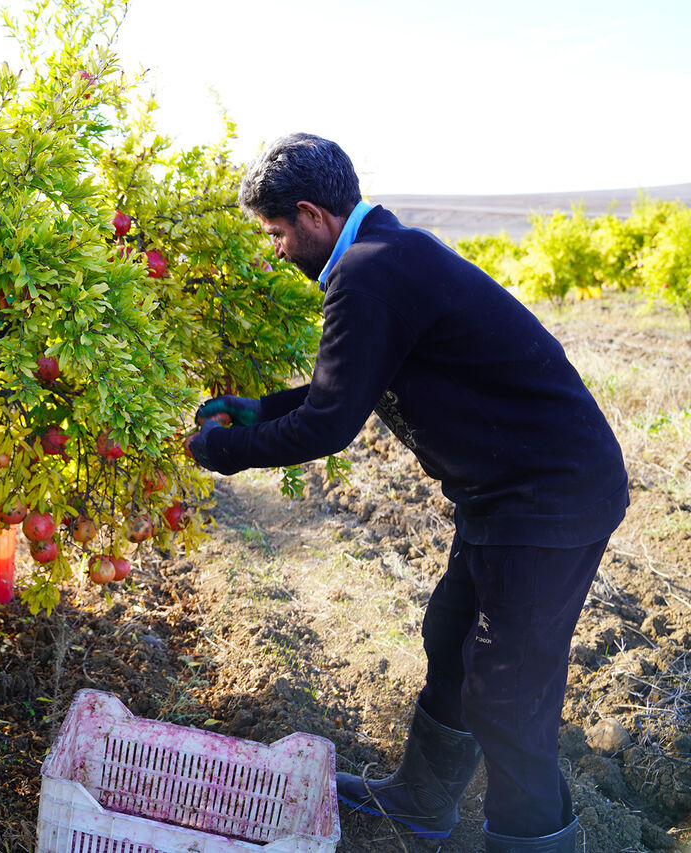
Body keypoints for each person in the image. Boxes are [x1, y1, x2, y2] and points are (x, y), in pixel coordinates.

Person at [187, 133, 628, 853]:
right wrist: (259, 408)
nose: (275, 251)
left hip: (549, 497)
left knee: (510, 696)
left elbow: (330, 422)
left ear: (310, 214)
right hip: (506, 492)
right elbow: (347, 384)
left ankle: (535, 843)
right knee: (450, 636)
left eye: (275, 234)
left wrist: (224, 450)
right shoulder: (385, 257)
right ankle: (422, 799)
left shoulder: (368, 273)